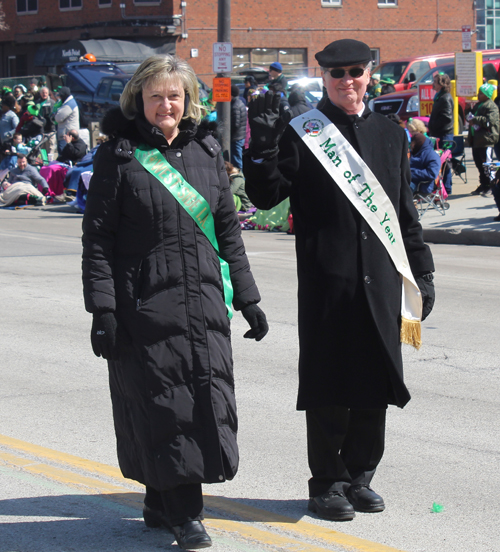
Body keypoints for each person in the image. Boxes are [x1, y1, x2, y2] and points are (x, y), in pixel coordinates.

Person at [81, 54, 268, 550]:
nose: (166, 105)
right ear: (138, 100)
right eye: (156, 96)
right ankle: (187, 513)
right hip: (143, 305)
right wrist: (102, 309)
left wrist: (248, 298)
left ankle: (161, 500)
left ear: (187, 102)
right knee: (164, 406)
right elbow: (98, 239)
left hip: (206, 300)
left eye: (174, 96)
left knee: (204, 400)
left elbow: (228, 232)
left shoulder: (207, 152)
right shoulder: (119, 156)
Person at [244, 38, 435, 522]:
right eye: (337, 74)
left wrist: (423, 271)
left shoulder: (390, 135)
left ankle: (360, 476)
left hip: (384, 279)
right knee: (329, 385)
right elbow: (266, 198)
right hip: (329, 281)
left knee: (376, 382)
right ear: (324, 79)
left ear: (370, 74)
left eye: (355, 71)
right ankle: (325, 483)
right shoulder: (303, 133)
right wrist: (261, 145)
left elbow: (404, 213)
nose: (347, 81)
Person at [467, 83, 500, 195]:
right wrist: (468, 113)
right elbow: (472, 118)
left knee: (487, 165)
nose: (478, 95)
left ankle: (492, 185)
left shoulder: (491, 106)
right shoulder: (478, 105)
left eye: (481, 93)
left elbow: (490, 121)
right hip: (476, 141)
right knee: (479, 165)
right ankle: (484, 184)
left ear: (487, 95)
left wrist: (476, 119)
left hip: (486, 140)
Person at [427, 72, 454, 193]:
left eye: (435, 81)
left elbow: (446, 118)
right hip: (437, 134)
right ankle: (441, 187)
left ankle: (447, 187)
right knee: (440, 162)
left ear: (441, 84)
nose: (433, 84)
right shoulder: (439, 96)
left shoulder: (445, 98)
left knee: (445, 162)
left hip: (444, 134)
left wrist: (434, 125)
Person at [54, 86, 80, 154]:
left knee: (64, 155)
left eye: (61, 96)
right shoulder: (70, 103)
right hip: (68, 134)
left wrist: (56, 112)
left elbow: (58, 118)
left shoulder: (69, 105)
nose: (60, 98)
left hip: (67, 135)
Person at [230, 84, 247, 169]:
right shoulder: (239, 103)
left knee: (236, 160)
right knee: (237, 157)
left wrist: (227, 133)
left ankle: (240, 178)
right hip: (240, 136)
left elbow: (235, 124)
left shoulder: (235, 106)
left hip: (236, 137)